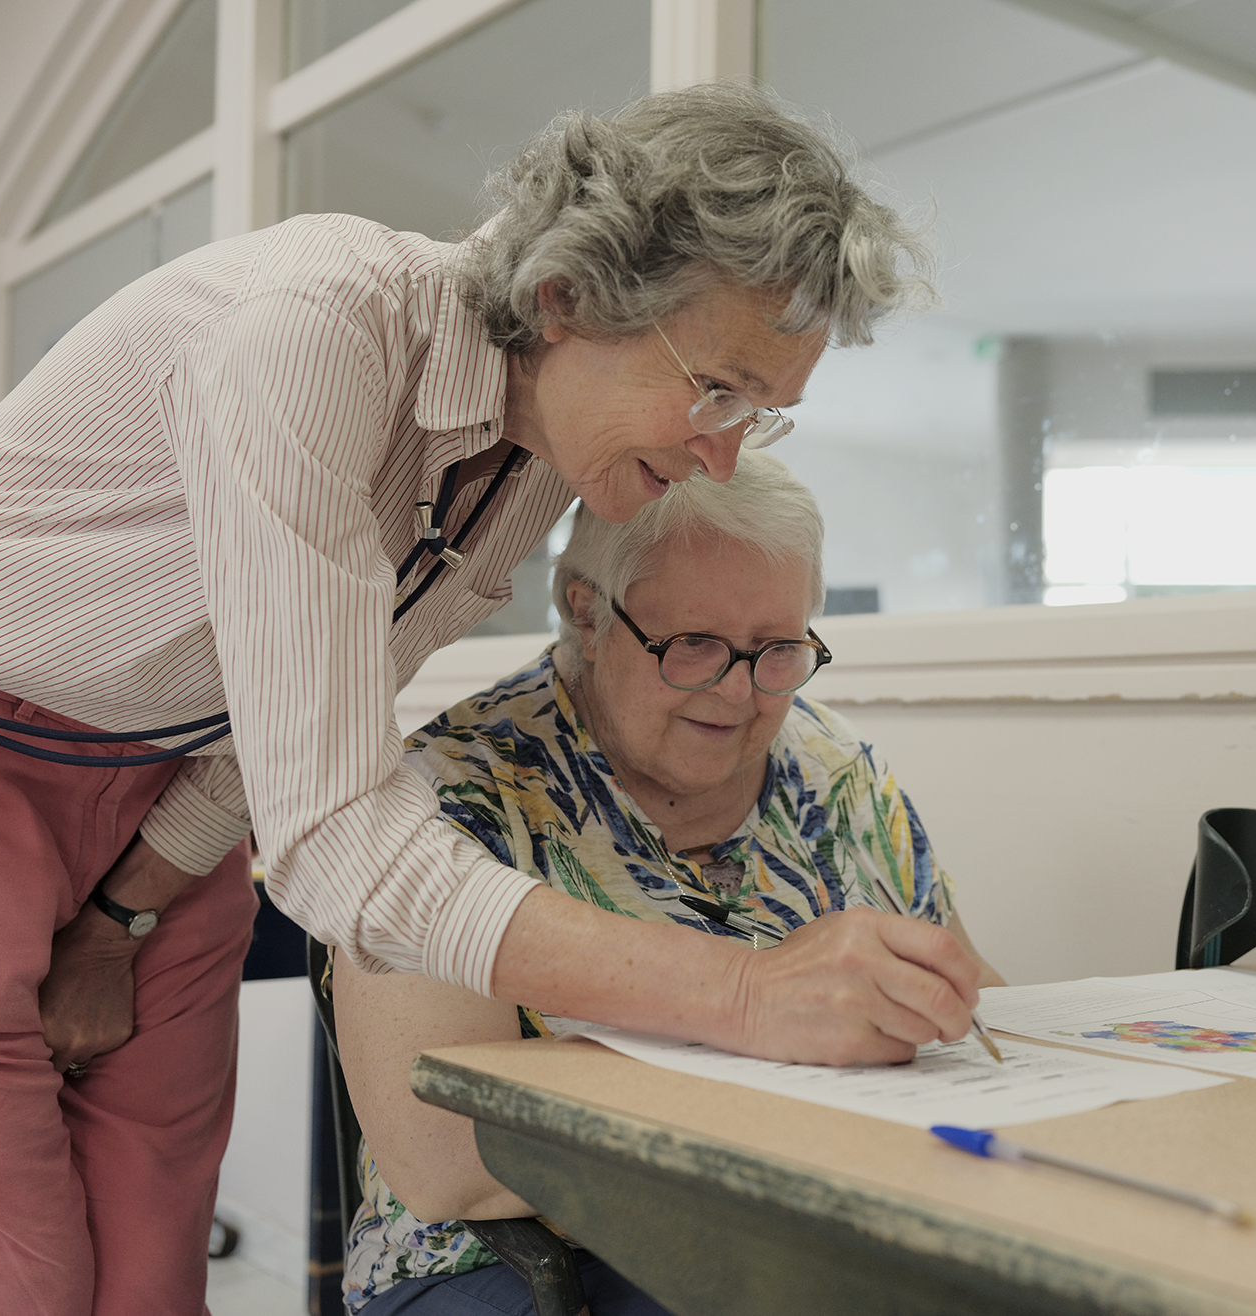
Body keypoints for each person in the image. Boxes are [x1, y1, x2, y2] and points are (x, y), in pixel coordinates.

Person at [0, 85, 979, 1314]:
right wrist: (742, 991)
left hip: (173, 769)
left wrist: (123, 916)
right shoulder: (306, 327)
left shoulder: (530, 456)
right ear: (567, 298)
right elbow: (339, 829)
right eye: (714, 390)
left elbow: (303, 716)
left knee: (153, 1240)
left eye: (761, 410)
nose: (724, 455)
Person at [332, 451, 1004, 1314]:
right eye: (693, 646)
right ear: (587, 612)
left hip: (812, 1230)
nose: (738, 691)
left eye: (778, 651)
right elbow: (447, 1164)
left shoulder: (833, 771)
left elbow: (973, 996)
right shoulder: (451, 796)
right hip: (516, 1265)